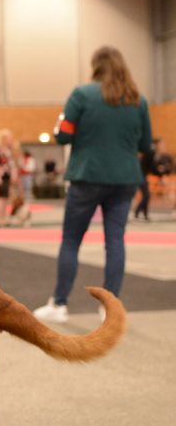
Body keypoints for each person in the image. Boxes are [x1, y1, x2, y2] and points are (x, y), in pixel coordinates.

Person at [33, 46, 151, 323]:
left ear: (96, 66)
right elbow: (145, 144)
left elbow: (62, 136)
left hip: (87, 177)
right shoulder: (139, 100)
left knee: (72, 240)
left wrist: (58, 126)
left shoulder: (82, 95)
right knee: (115, 242)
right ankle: (110, 308)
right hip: (124, 180)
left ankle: (59, 304)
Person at [0, 129, 17, 226]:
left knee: (6, 197)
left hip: (7, 176)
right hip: (0, 177)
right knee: (1, 197)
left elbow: (12, 163)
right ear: (4, 139)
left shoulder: (9, 149)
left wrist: (14, 173)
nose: (11, 140)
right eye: (9, 138)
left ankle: (4, 217)